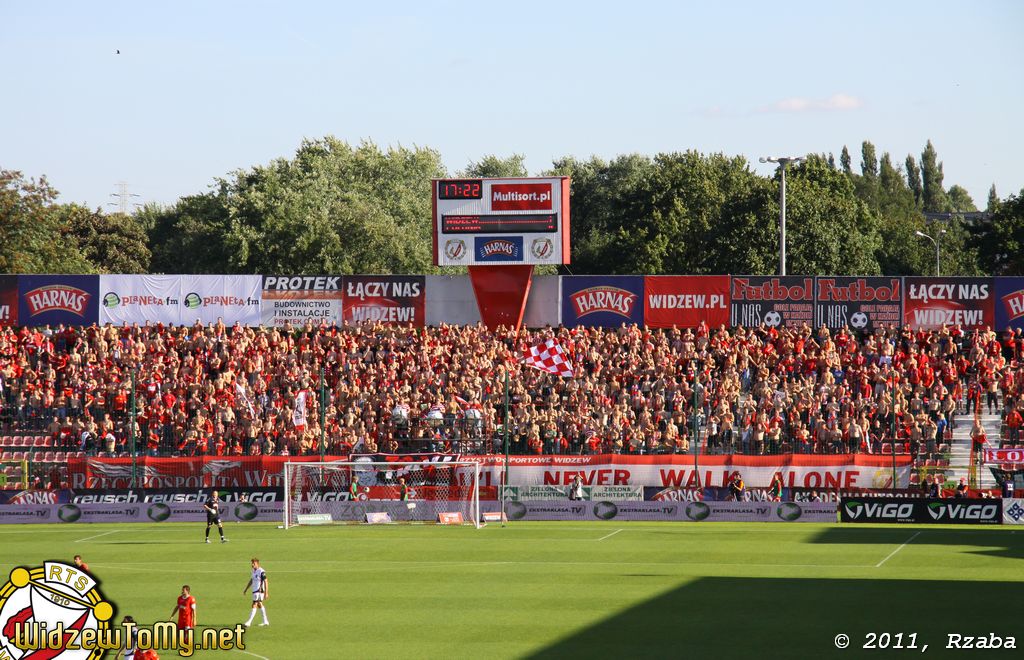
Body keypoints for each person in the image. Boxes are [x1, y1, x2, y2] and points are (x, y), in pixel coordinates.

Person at [243, 557, 269, 627]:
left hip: (259, 591)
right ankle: (265, 621)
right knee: (260, 604)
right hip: (255, 590)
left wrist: (266, 593)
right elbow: (252, 580)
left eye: (253, 563)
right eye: (252, 563)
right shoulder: (253, 571)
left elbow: (266, 581)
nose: (252, 564)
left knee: (254, 604)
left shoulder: (261, 571)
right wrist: (246, 589)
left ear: (257, 564)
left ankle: (249, 622)